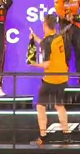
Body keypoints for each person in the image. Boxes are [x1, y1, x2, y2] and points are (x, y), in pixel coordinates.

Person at [28, 14, 70, 145]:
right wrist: (36, 38)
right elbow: (47, 45)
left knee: (40, 106)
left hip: (50, 80)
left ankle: (43, 137)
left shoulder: (48, 41)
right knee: (59, 106)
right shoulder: (58, 37)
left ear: (45, 25)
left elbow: (47, 64)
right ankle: (66, 136)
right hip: (63, 78)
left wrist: (33, 64)